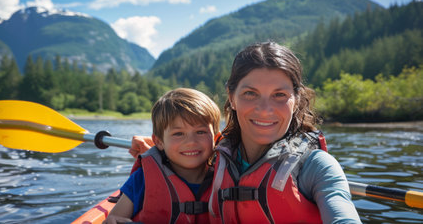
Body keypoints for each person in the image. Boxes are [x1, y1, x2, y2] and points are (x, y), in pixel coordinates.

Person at [130, 41, 361, 223]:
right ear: (232, 97)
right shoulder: (215, 153)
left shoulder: (318, 166)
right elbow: (182, 150)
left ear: (296, 99)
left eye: (279, 95)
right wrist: (154, 149)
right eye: (250, 93)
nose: (264, 110)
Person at [104, 88, 221, 224]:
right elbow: (112, 219)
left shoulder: (225, 177)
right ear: (159, 142)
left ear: (216, 138)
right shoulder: (142, 180)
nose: (191, 142)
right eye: (178, 134)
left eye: (200, 132)